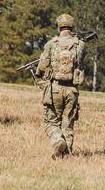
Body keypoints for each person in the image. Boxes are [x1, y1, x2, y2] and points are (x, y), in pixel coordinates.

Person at [36, 14, 86, 158]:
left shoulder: (51, 44)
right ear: (72, 26)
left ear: (59, 27)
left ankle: (58, 140)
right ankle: (66, 155)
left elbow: (42, 67)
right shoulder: (80, 45)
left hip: (55, 89)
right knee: (68, 123)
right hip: (72, 90)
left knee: (51, 122)